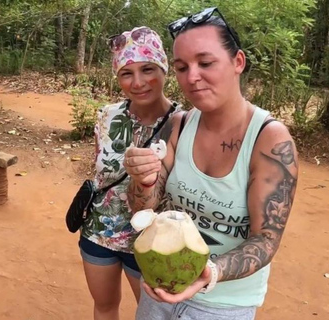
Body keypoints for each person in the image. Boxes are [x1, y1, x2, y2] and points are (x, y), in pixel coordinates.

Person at [123, 7, 298, 320]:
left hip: (223, 307)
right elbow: (142, 210)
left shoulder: (269, 140)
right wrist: (144, 180)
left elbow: (266, 239)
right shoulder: (176, 125)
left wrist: (210, 273)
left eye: (205, 63)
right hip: (160, 289)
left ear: (237, 62)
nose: (192, 77)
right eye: (181, 66)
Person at [78, 26, 182, 320]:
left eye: (148, 69)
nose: (138, 82)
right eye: (126, 73)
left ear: (164, 69)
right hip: (100, 232)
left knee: (153, 315)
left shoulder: (184, 122)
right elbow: (100, 171)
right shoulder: (106, 116)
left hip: (152, 241)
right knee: (104, 306)